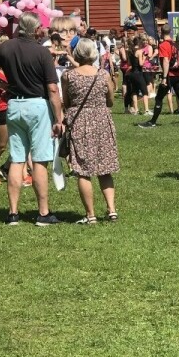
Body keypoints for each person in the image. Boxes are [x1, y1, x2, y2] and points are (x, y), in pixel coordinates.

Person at [0, 11, 64, 226]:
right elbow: (52, 88)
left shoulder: (6, 47)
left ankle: (13, 213)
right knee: (39, 160)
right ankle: (43, 213)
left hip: (14, 105)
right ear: (35, 30)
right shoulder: (42, 53)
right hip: (37, 106)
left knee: (17, 159)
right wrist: (59, 118)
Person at [61, 38, 119, 224]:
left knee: (83, 170)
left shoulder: (68, 76)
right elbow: (110, 101)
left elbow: (67, 102)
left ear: (77, 53)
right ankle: (111, 210)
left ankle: (90, 214)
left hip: (79, 123)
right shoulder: (103, 75)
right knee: (105, 168)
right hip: (102, 121)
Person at [138, 26, 179, 129]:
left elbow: (166, 61)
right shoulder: (176, 44)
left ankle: (153, 121)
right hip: (177, 74)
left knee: (159, 98)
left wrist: (164, 78)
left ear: (161, 32)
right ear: (170, 32)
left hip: (169, 76)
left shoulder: (163, 45)